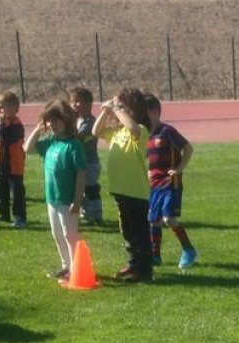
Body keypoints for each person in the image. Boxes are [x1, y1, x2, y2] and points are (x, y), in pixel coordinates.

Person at [93, 87, 152, 283]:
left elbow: (133, 128)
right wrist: (106, 111)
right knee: (127, 231)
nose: (119, 110)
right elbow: (96, 131)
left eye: (123, 106)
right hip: (120, 190)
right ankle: (133, 263)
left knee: (139, 232)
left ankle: (143, 269)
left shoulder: (141, 130)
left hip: (136, 191)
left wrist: (117, 108)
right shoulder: (117, 132)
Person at [25, 100, 88, 281]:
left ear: (66, 121)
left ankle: (76, 268)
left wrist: (77, 201)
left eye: (56, 121)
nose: (52, 125)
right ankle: (66, 265)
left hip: (67, 200)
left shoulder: (74, 145)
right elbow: (27, 149)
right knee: (57, 234)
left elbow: (81, 174)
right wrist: (38, 129)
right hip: (52, 198)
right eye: (50, 121)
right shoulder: (51, 141)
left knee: (70, 235)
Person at [144, 94, 198, 269]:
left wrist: (180, 167)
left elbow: (187, 148)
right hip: (154, 185)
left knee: (169, 218)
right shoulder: (146, 135)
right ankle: (155, 257)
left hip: (170, 183)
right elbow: (148, 159)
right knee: (154, 220)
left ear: (154, 112)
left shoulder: (167, 131)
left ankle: (188, 250)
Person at [0, 90, 27, 228]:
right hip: (1, 162)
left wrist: (1, 125)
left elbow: (6, 137)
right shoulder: (0, 123)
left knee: (16, 193)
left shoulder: (17, 125)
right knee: (0, 190)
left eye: (2, 107)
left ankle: (20, 218)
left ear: (13, 108)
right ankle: (3, 214)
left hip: (14, 164)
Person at [70, 86, 104, 226]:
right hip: (81, 162)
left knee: (89, 188)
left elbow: (77, 137)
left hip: (90, 162)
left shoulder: (90, 121)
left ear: (89, 104)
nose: (76, 105)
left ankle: (94, 214)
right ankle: (90, 213)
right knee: (82, 188)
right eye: (74, 102)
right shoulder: (78, 120)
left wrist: (70, 120)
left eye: (80, 102)